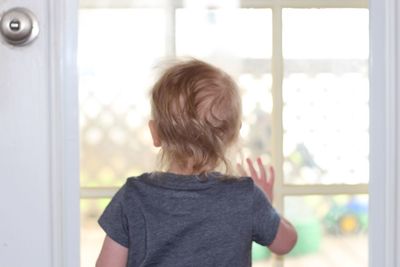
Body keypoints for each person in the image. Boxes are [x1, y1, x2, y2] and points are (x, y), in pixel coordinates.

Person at [96, 59, 297, 267]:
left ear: (155, 133)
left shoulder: (133, 196)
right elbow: (286, 243)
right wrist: (267, 206)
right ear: (232, 137)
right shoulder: (245, 196)